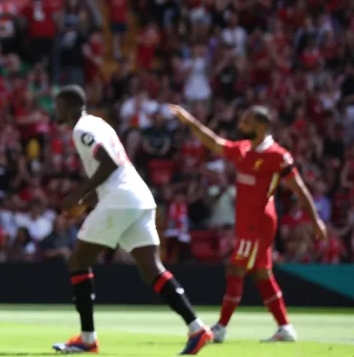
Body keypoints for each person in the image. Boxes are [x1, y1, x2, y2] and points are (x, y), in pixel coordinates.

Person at [51, 85, 212, 355]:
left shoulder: (82, 129)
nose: (55, 110)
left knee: (78, 261)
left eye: (57, 105)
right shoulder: (99, 124)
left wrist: (76, 195)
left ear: (67, 106)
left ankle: (88, 340)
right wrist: (86, 202)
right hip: (138, 197)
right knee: (152, 268)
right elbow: (115, 170)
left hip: (121, 200)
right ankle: (197, 328)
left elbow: (109, 164)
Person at [169, 104, 327, 343]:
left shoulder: (277, 156)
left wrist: (315, 220)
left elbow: (300, 189)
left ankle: (221, 327)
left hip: (258, 224)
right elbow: (213, 142)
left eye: (246, 122)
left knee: (235, 269)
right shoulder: (242, 149)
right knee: (262, 274)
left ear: (261, 127)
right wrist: (190, 121)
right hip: (246, 223)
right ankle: (285, 327)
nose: (240, 125)